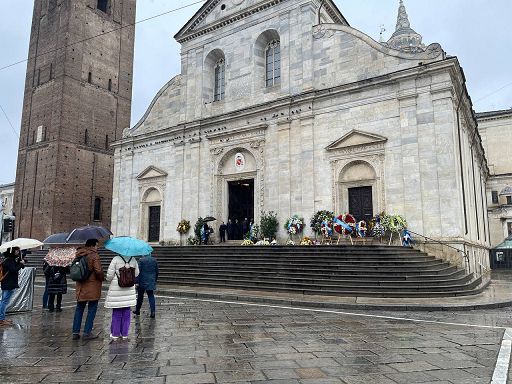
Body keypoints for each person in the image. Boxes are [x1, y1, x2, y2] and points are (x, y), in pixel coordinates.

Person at [72, 239, 104, 340]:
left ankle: (75, 332)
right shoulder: (94, 255)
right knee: (92, 309)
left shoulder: (78, 254)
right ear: (92, 245)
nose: (97, 247)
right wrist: (102, 277)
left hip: (81, 286)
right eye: (96, 245)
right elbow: (98, 270)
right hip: (92, 286)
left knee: (79, 309)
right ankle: (87, 332)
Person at [105, 254, 139, 339]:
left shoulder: (115, 259)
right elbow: (137, 273)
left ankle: (115, 334)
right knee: (127, 311)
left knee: (117, 311)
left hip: (117, 288)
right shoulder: (133, 259)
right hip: (129, 288)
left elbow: (110, 275)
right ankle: (125, 334)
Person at [0, 247, 25, 326]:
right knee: (4, 301)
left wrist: (20, 262)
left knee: (4, 301)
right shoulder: (9, 260)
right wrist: (20, 264)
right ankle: (1, 319)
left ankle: (2, 318)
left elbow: (15, 268)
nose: (18, 252)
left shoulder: (10, 259)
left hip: (8, 283)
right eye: (17, 250)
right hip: (8, 283)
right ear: (12, 251)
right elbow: (13, 270)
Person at [133, 254, 158, 318]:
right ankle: (153, 312)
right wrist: (155, 280)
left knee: (140, 296)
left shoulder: (141, 260)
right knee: (151, 296)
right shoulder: (154, 260)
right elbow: (156, 271)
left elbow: (138, 272)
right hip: (151, 281)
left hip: (142, 281)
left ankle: (137, 310)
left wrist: (136, 281)